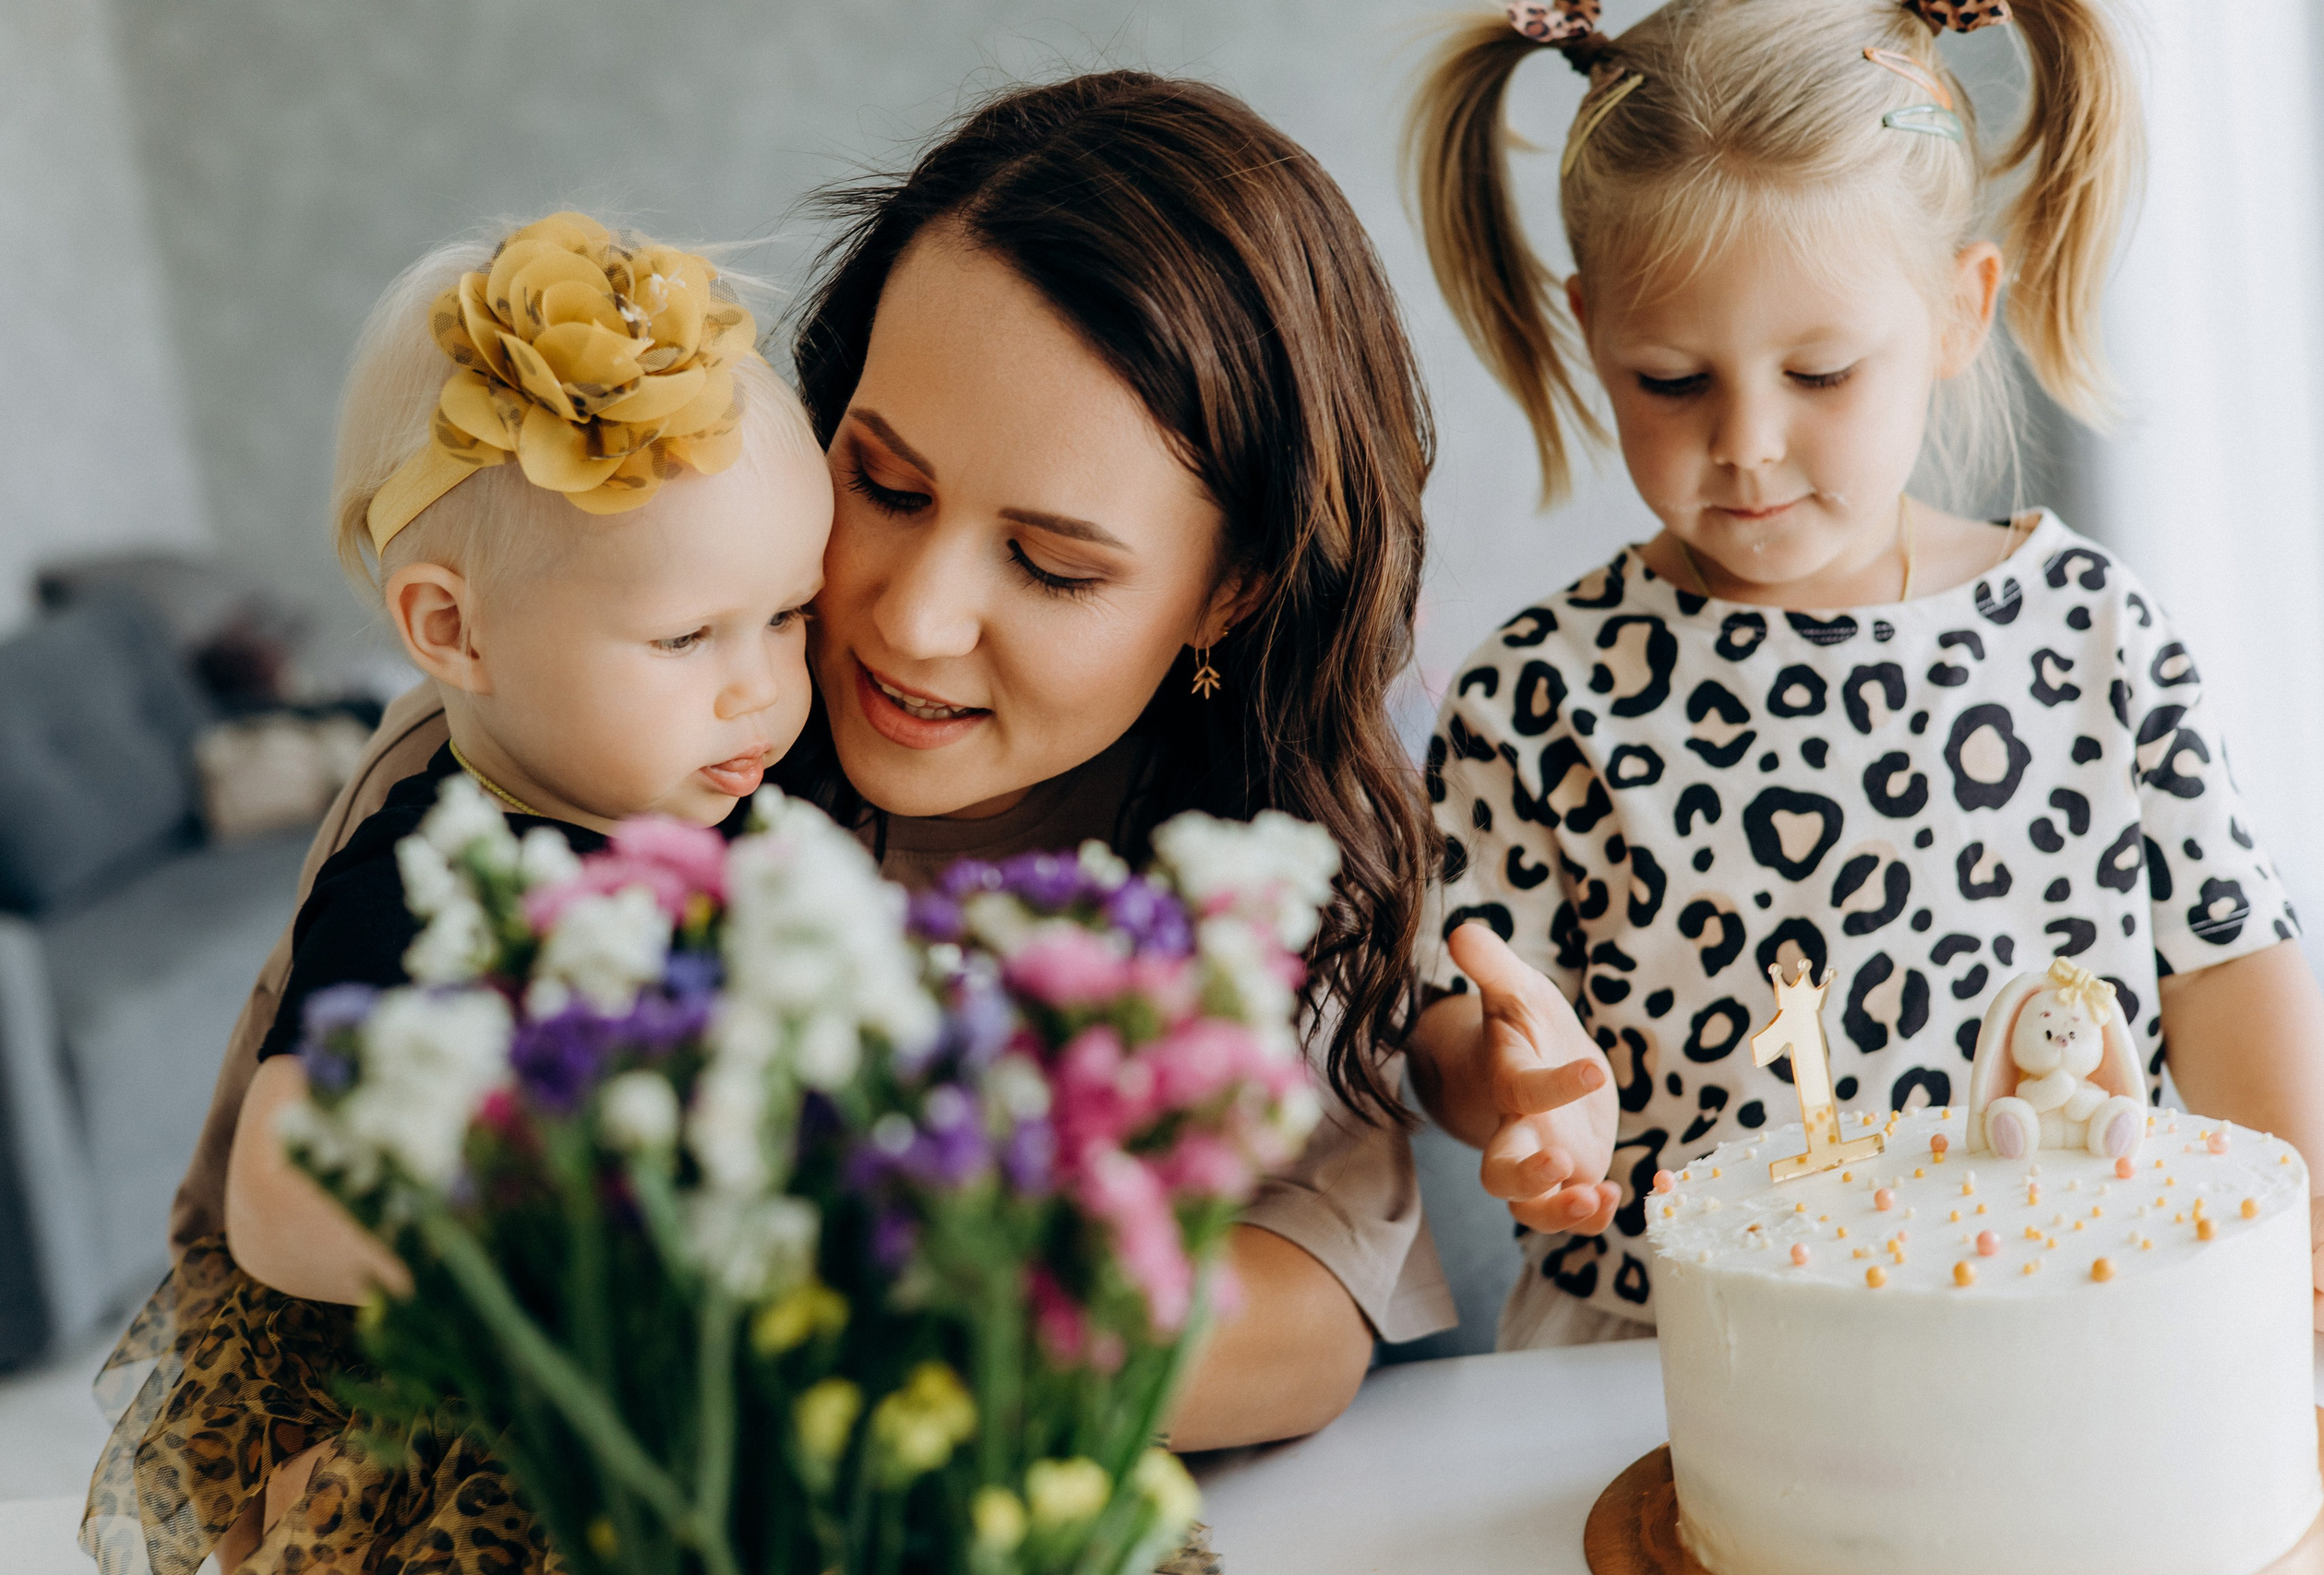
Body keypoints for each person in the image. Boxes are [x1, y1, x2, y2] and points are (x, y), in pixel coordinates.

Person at [133, 67, 1595, 1567]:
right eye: (884, 483)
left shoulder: (1264, 848)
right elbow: (268, 1258)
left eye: (1053, 565)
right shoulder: (536, 756)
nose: (912, 618)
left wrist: (859, 1300)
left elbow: (1301, 1314)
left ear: (1233, 589)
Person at [1401, 0, 2324, 1350]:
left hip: (2065, 1330)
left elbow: (2227, 961)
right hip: (1667, 1361)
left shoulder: (2091, 632)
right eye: (1670, 381)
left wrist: (2299, 1249)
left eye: (1821, 371)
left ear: (1962, 310)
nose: (1749, 443)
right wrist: (1515, 1086)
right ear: (1593, 332)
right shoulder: (1540, 693)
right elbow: (1458, 1016)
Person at [85, 209, 834, 1574]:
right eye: (685, 635)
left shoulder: (734, 807)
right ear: (452, 630)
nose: (764, 685)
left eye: (789, 614)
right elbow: (277, 1187)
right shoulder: (438, 871)